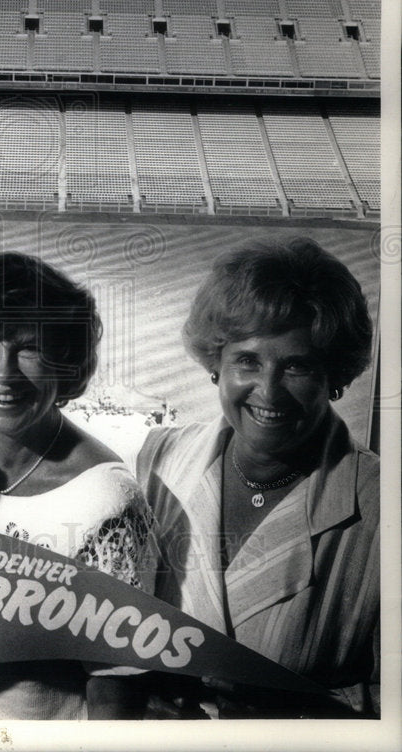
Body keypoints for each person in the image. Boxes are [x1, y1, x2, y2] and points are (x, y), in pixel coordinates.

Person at [135, 236, 379, 718]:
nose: (268, 391)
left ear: (334, 376)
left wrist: (300, 708)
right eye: (247, 360)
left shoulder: (379, 505)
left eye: (297, 366)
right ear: (215, 365)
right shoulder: (158, 458)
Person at [0, 251, 159, 720]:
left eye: (29, 349)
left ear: (65, 363)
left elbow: (116, 683)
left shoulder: (107, 500)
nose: (4, 374)